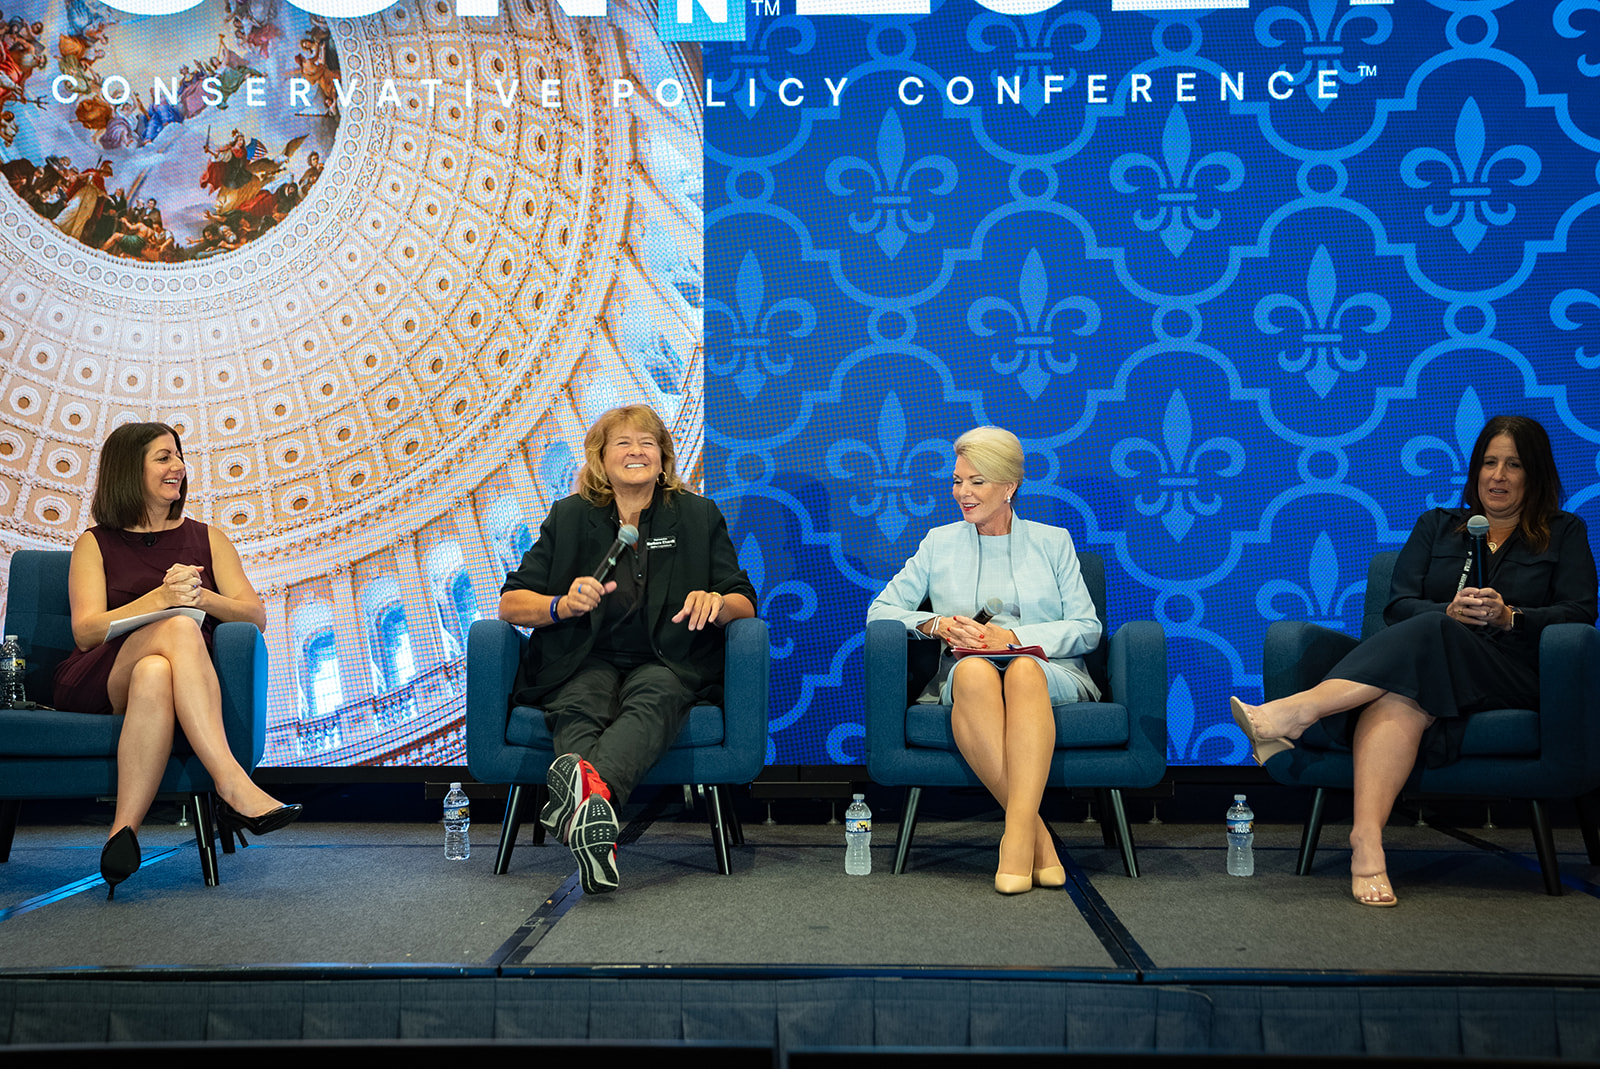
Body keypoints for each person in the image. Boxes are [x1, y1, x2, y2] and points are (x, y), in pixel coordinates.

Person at [1231, 415, 1597, 907]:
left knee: (1432, 631)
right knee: (1403, 691)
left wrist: (1511, 616)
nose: (1499, 476)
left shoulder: (1563, 532)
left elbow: (1581, 611)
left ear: (1535, 473)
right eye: (1489, 463)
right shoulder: (1438, 527)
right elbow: (1398, 604)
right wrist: (1447, 611)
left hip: (1512, 672)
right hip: (1433, 668)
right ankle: (1367, 843)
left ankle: (1297, 712)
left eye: (1513, 465)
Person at [498, 405, 756, 894]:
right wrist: (561, 605)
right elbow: (511, 604)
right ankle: (596, 819)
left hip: (669, 660)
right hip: (582, 657)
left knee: (656, 695)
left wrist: (717, 602)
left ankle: (586, 807)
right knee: (579, 702)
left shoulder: (698, 515)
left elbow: (744, 600)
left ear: (662, 458)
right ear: (601, 458)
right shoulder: (570, 516)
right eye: (623, 442)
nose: (636, 451)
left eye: (647, 442)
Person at [55, 422, 300, 899]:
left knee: (156, 670)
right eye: (164, 458)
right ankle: (231, 784)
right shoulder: (95, 542)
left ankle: (122, 832)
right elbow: (85, 633)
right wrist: (162, 599)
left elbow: (254, 614)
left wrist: (200, 595)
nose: (179, 467)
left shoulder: (209, 538)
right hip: (98, 677)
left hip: (167, 677)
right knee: (177, 626)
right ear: (130, 470)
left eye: (179, 457)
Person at [866, 426, 1102, 894]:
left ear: (1009, 487)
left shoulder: (1053, 542)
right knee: (972, 670)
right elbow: (880, 612)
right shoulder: (939, 543)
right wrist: (937, 624)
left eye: (976, 481)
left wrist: (1012, 638)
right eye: (957, 481)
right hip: (967, 672)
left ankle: (1015, 840)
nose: (962, 493)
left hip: (1047, 670)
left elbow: (1087, 627)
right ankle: (1036, 838)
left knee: (1023, 672)